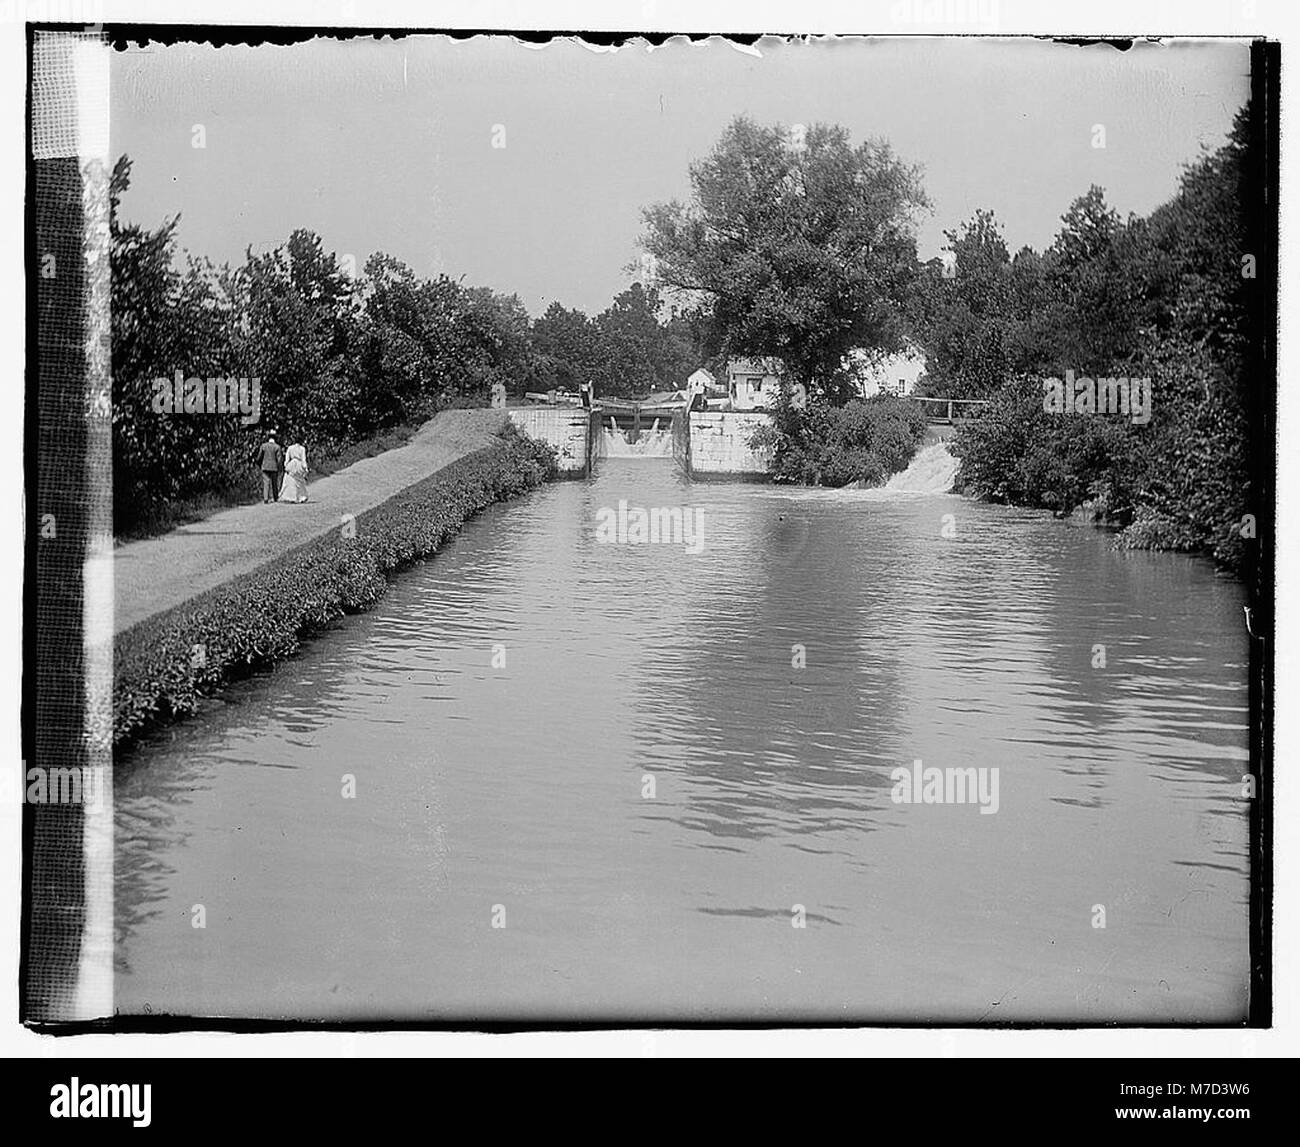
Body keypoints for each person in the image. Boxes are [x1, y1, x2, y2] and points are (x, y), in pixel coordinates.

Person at [258, 432, 284, 503]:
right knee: (274, 483)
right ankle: (275, 497)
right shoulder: (277, 447)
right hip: (274, 467)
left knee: (266, 482)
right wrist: (280, 467)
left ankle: (266, 498)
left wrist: (259, 464)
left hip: (265, 466)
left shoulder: (263, 446)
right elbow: (279, 459)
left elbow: (259, 456)